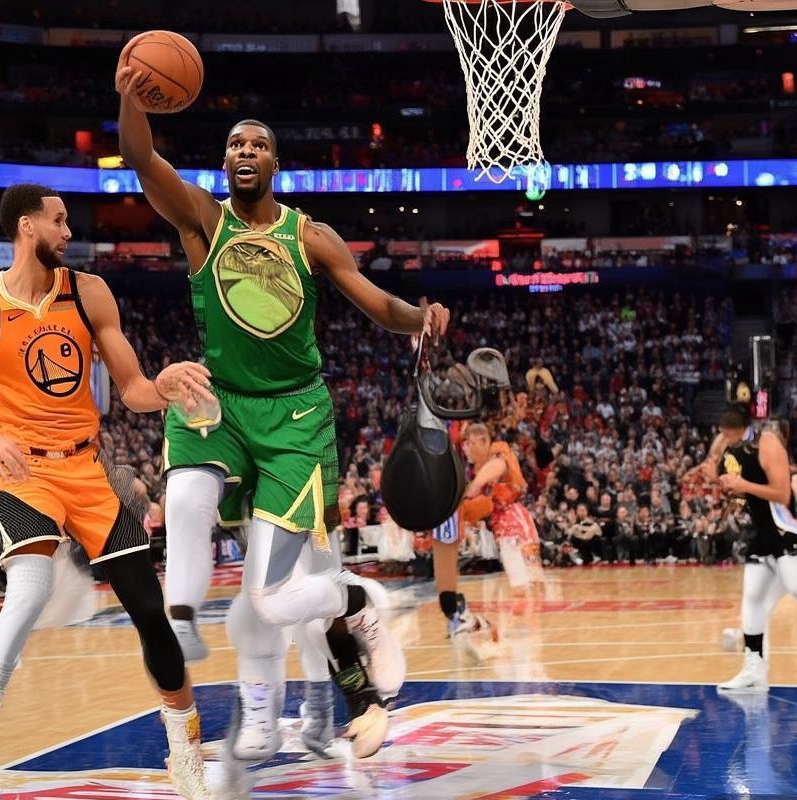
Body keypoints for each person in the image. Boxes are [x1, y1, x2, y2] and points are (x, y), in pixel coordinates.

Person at [116, 66, 450, 761]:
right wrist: (130, 94)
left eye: (258, 145)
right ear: (225, 162)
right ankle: (283, 685)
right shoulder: (204, 220)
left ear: (275, 163)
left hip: (296, 418)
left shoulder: (310, 236)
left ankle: (349, 672)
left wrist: (420, 318)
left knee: (288, 587)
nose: (245, 151)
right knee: (241, 569)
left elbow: (376, 304)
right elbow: (141, 158)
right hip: (223, 409)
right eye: (235, 144)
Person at [0, 182, 216, 798]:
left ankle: (185, 750)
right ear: (27, 225)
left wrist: (163, 387)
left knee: (150, 613)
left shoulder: (89, 293)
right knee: (30, 588)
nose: (67, 232)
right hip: (21, 469)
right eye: (58, 221)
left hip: (87, 469)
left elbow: (133, 389)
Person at [688, 407, 797, 692]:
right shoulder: (732, 453)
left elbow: (781, 494)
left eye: (726, 436)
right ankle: (754, 670)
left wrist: (742, 484)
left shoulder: (768, 443)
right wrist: (718, 480)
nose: (723, 441)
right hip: (761, 534)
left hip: (784, 530)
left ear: (739, 430)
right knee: (752, 598)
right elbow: (741, 498)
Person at [463, 424, 546, 589]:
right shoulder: (481, 466)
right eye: (466, 444)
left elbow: (478, 485)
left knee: (524, 581)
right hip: (516, 522)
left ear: (484, 441)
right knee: (534, 578)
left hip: (511, 522)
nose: (468, 448)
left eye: (472, 443)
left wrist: (468, 492)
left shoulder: (498, 456)